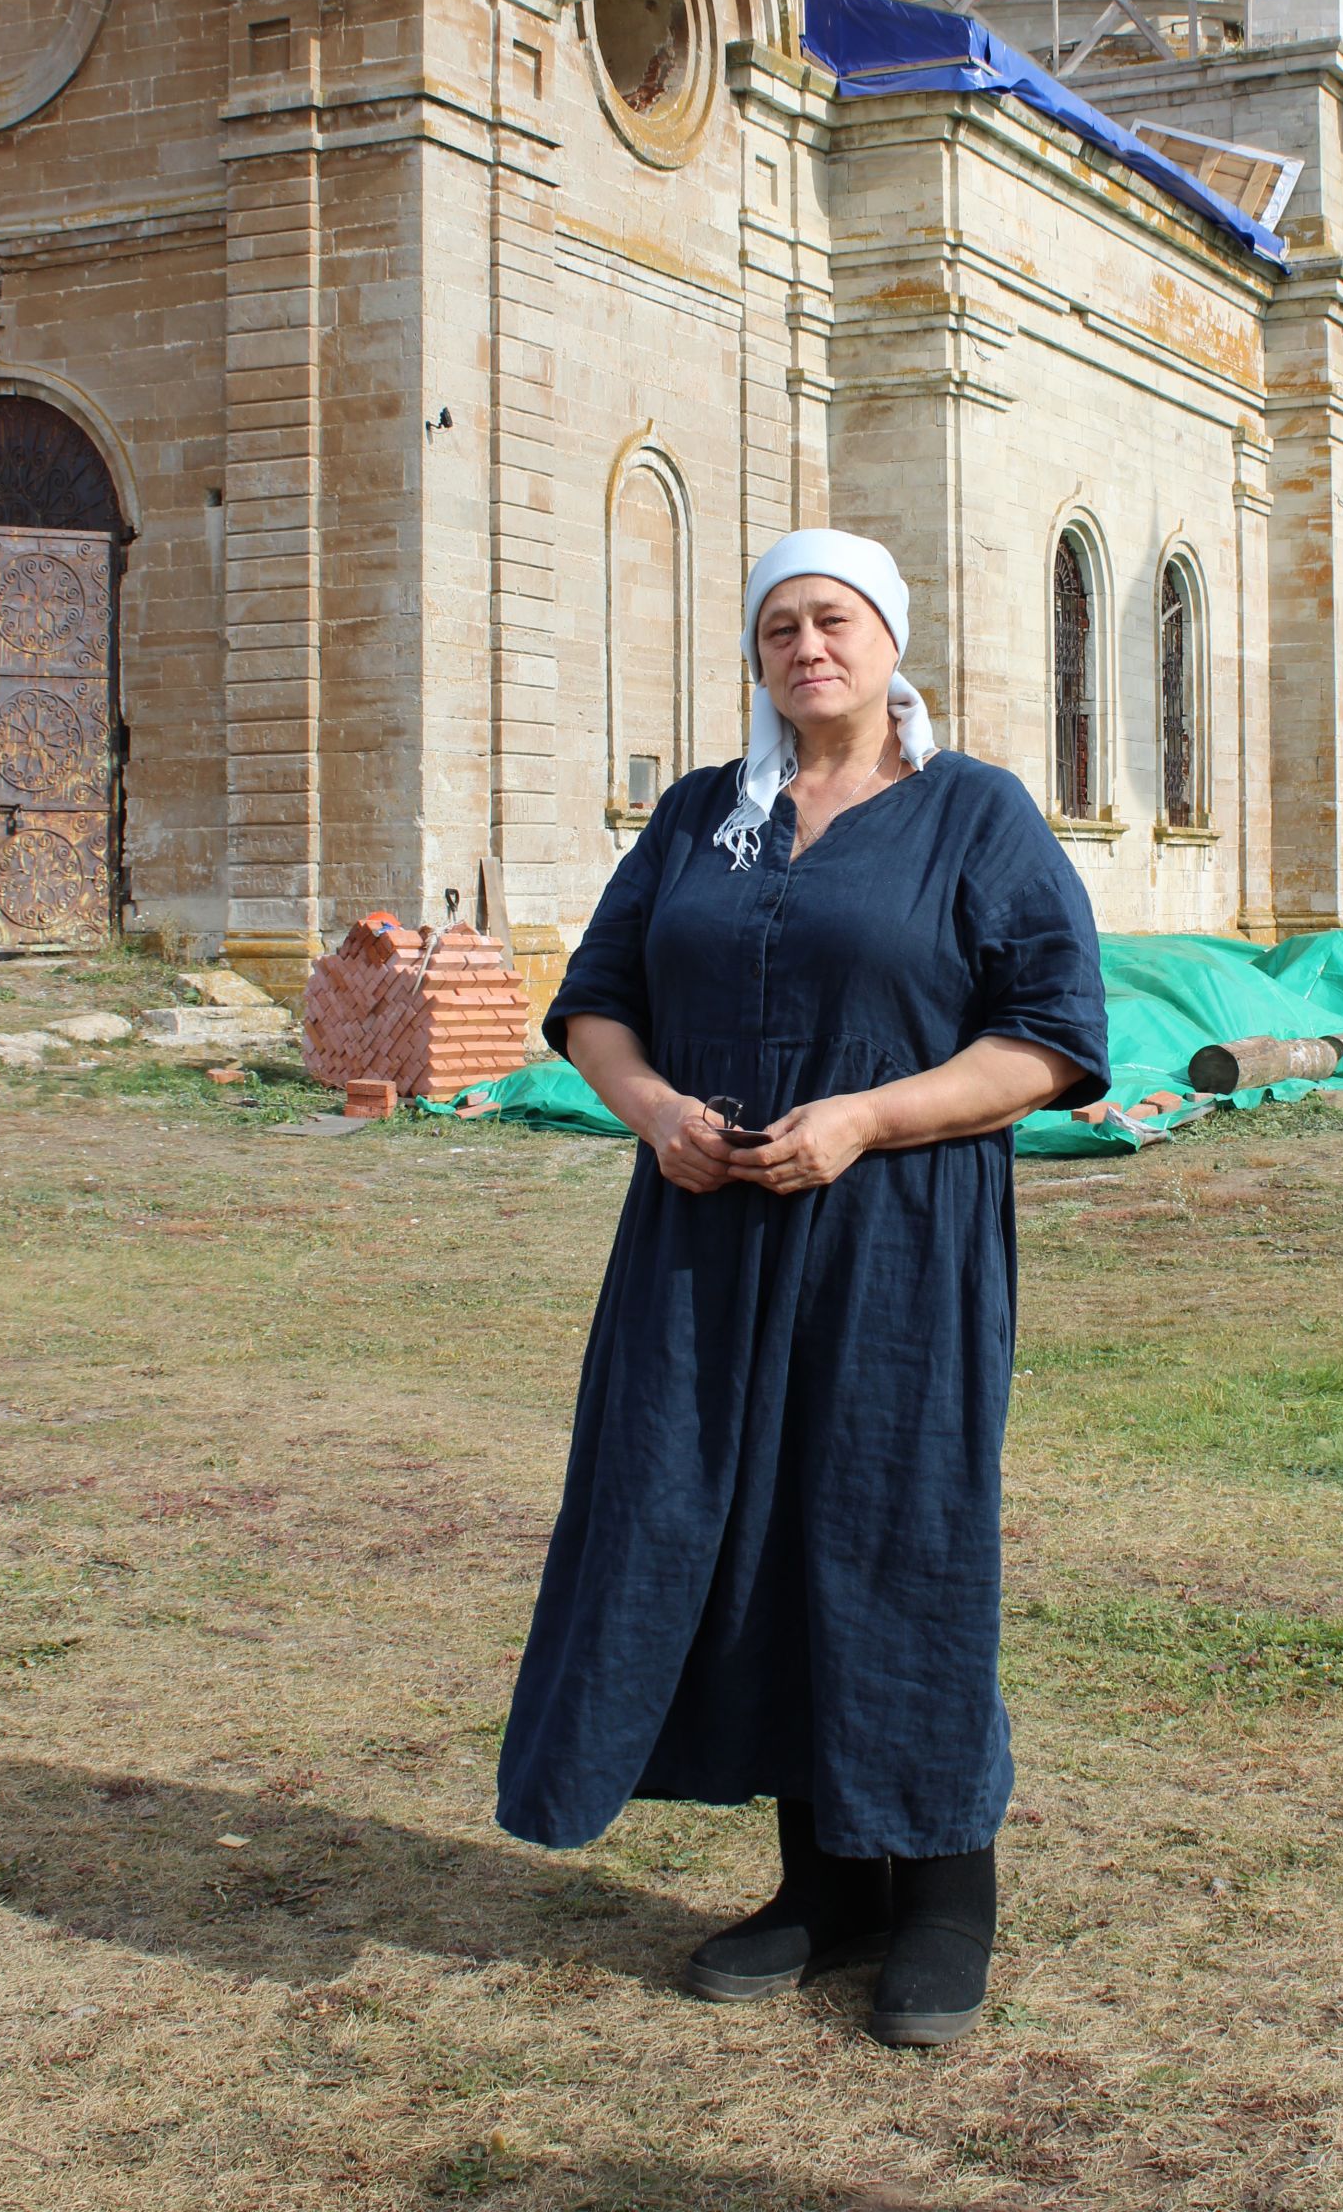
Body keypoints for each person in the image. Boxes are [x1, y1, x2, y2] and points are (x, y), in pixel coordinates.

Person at [496, 528, 1109, 2045]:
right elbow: (596, 1000)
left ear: (893, 643)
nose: (807, 648)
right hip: (704, 1236)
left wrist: (862, 1117)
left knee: (896, 1530)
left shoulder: (972, 815)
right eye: (779, 628)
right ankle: (827, 1886)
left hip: (900, 1239)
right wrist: (654, 1113)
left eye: (834, 621)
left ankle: (946, 1898)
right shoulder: (711, 816)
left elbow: (1055, 1036)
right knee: (739, 1531)